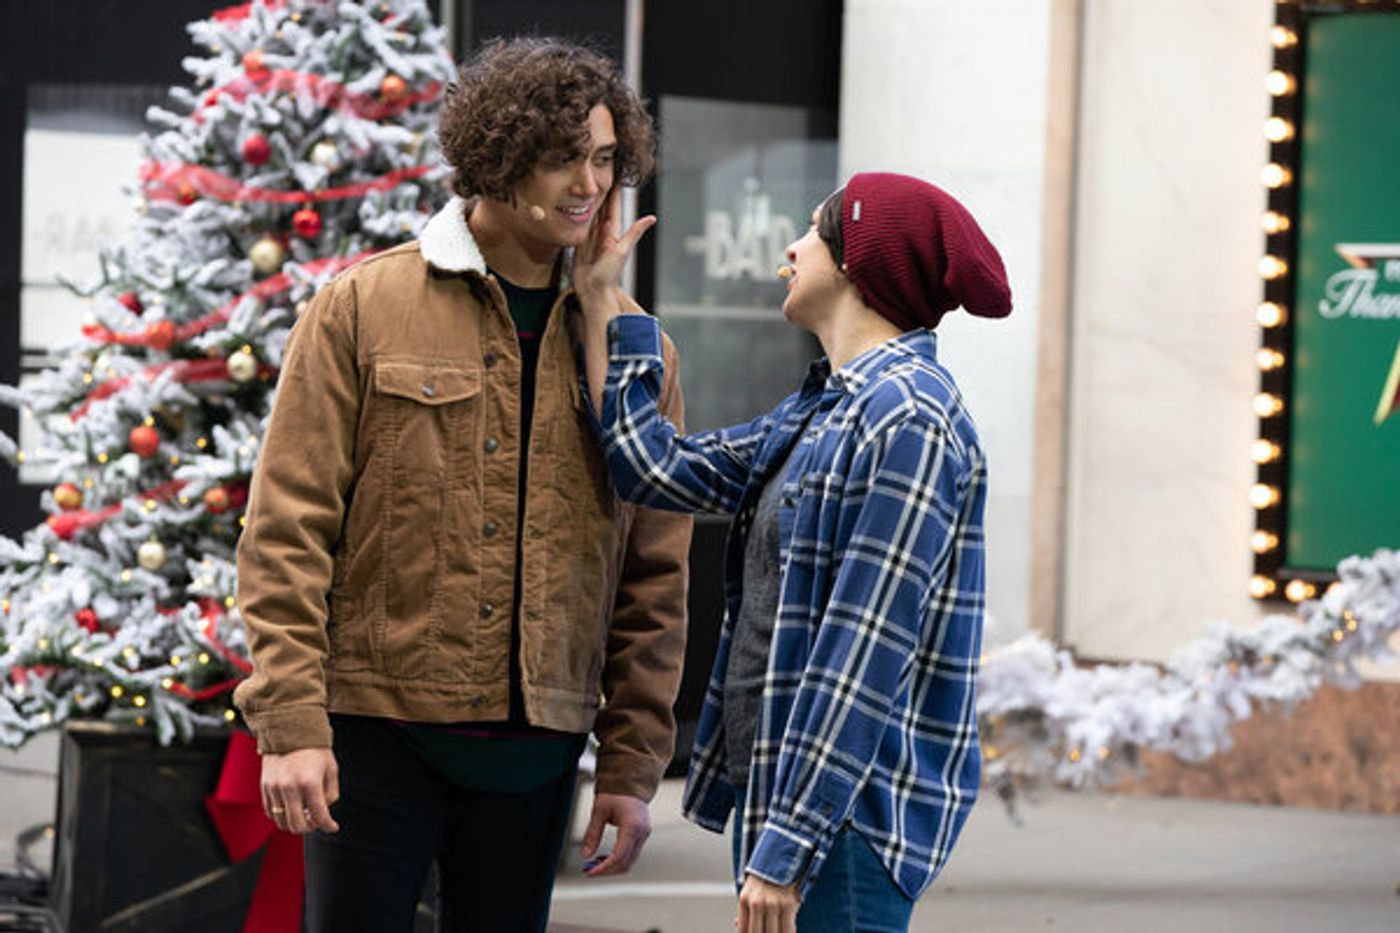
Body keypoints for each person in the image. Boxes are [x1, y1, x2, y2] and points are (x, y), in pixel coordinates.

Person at [233, 37, 691, 932]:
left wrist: (633, 763)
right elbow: (287, 529)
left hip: (538, 758)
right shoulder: (363, 308)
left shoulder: (639, 350)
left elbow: (653, 578)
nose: (589, 184)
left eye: (605, 159)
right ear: (498, 154)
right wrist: (291, 723)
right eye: (562, 157)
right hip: (378, 736)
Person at [574, 171, 1011, 932]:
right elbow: (657, 468)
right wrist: (604, 300)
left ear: (858, 264)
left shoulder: (908, 418)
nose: (792, 247)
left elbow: (861, 654)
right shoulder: (825, 409)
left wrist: (790, 849)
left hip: (842, 830)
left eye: (814, 229)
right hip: (786, 804)